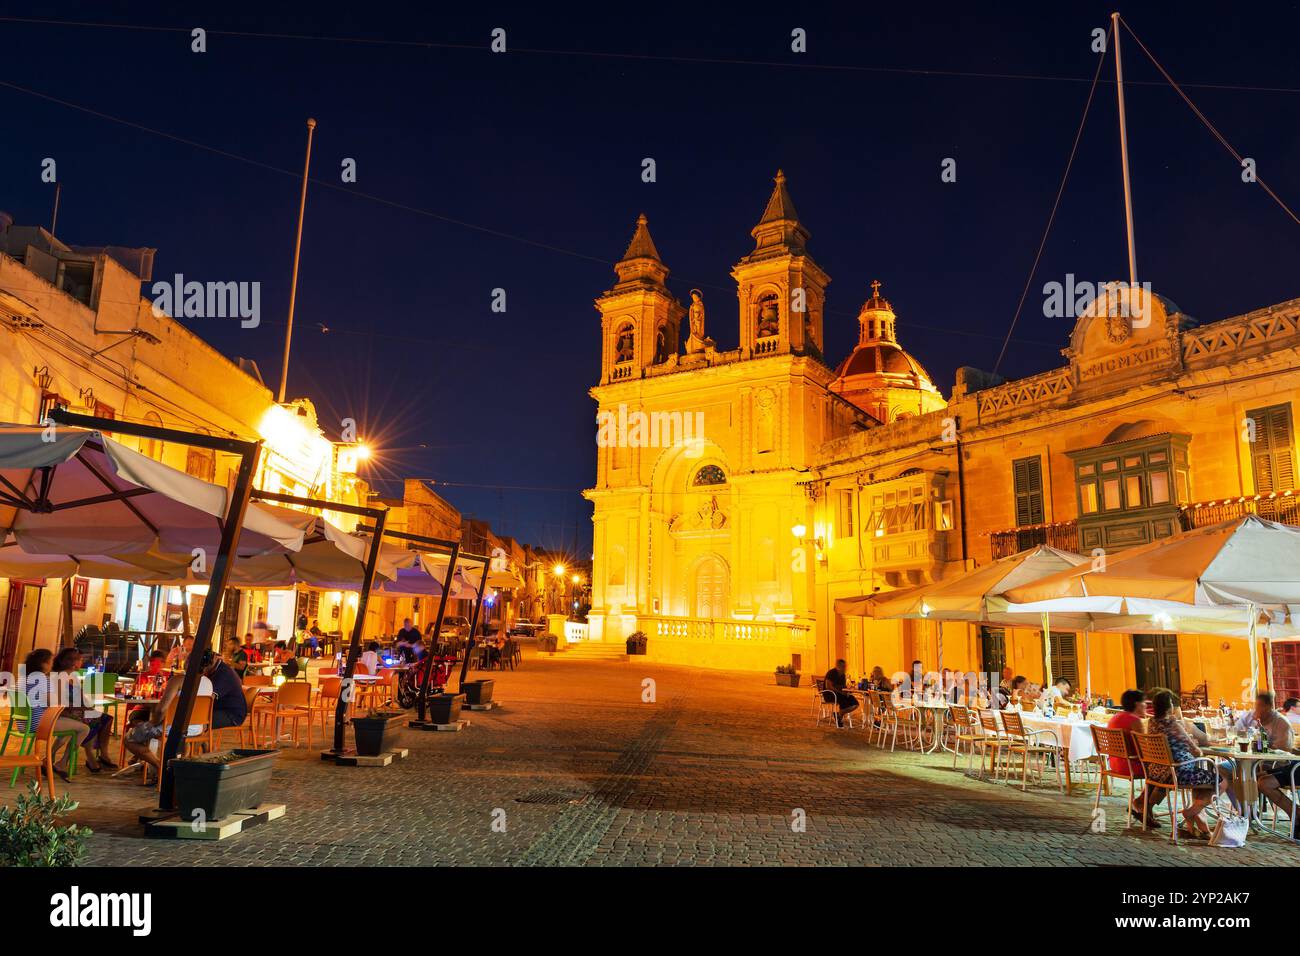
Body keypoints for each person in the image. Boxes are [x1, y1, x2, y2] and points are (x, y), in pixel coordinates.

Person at [1147, 688, 1219, 839]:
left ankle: (1198, 827)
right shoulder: (1174, 725)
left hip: (1157, 771)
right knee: (1220, 780)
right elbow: (1197, 752)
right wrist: (1192, 743)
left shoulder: (1151, 723)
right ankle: (1191, 812)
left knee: (1201, 777)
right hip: (1178, 773)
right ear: (1170, 707)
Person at [23, 649, 90, 782]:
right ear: (43, 663)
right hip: (40, 724)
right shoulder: (43, 680)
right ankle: (61, 764)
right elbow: (54, 705)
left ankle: (49, 759)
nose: (53, 664)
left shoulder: (26, 678)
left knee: (69, 726)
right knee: (84, 728)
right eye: (51, 661)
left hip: (25, 723)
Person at [51, 647, 116, 772]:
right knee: (97, 719)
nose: (82, 662)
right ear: (72, 662)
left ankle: (99, 755)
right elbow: (59, 701)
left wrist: (87, 706)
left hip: (74, 710)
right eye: (80, 660)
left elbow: (81, 698)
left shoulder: (72, 676)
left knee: (103, 718)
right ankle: (93, 756)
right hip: (63, 712)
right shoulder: (59, 677)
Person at [1238, 692, 1299, 823]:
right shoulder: (1255, 719)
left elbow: (1286, 749)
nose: (1257, 709)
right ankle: (1247, 812)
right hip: (1287, 765)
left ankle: (1295, 813)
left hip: (1285, 764)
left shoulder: (1281, 722)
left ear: (1268, 706)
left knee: (1261, 781)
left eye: (1260, 706)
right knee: (1253, 776)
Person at [1107, 689, 1161, 827]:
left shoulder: (1116, 717)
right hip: (1131, 765)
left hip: (1115, 763)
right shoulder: (1134, 721)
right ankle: (1142, 805)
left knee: (1161, 770)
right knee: (1165, 771)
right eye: (1144, 703)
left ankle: (1142, 805)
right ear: (1137, 704)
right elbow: (1145, 750)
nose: (1146, 706)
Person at [823, 659, 860, 728]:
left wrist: (847, 691)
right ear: (837, 666)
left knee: (855, 703)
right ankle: (839, 718)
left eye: (844, 666)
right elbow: (828, 687)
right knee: (843, 699)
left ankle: (839, 715)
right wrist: (841, 692)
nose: (844, 667)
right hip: (830, 694)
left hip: (840, 694)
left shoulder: (843, 675)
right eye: (842, 666)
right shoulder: (832, 673)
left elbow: (843, 687)